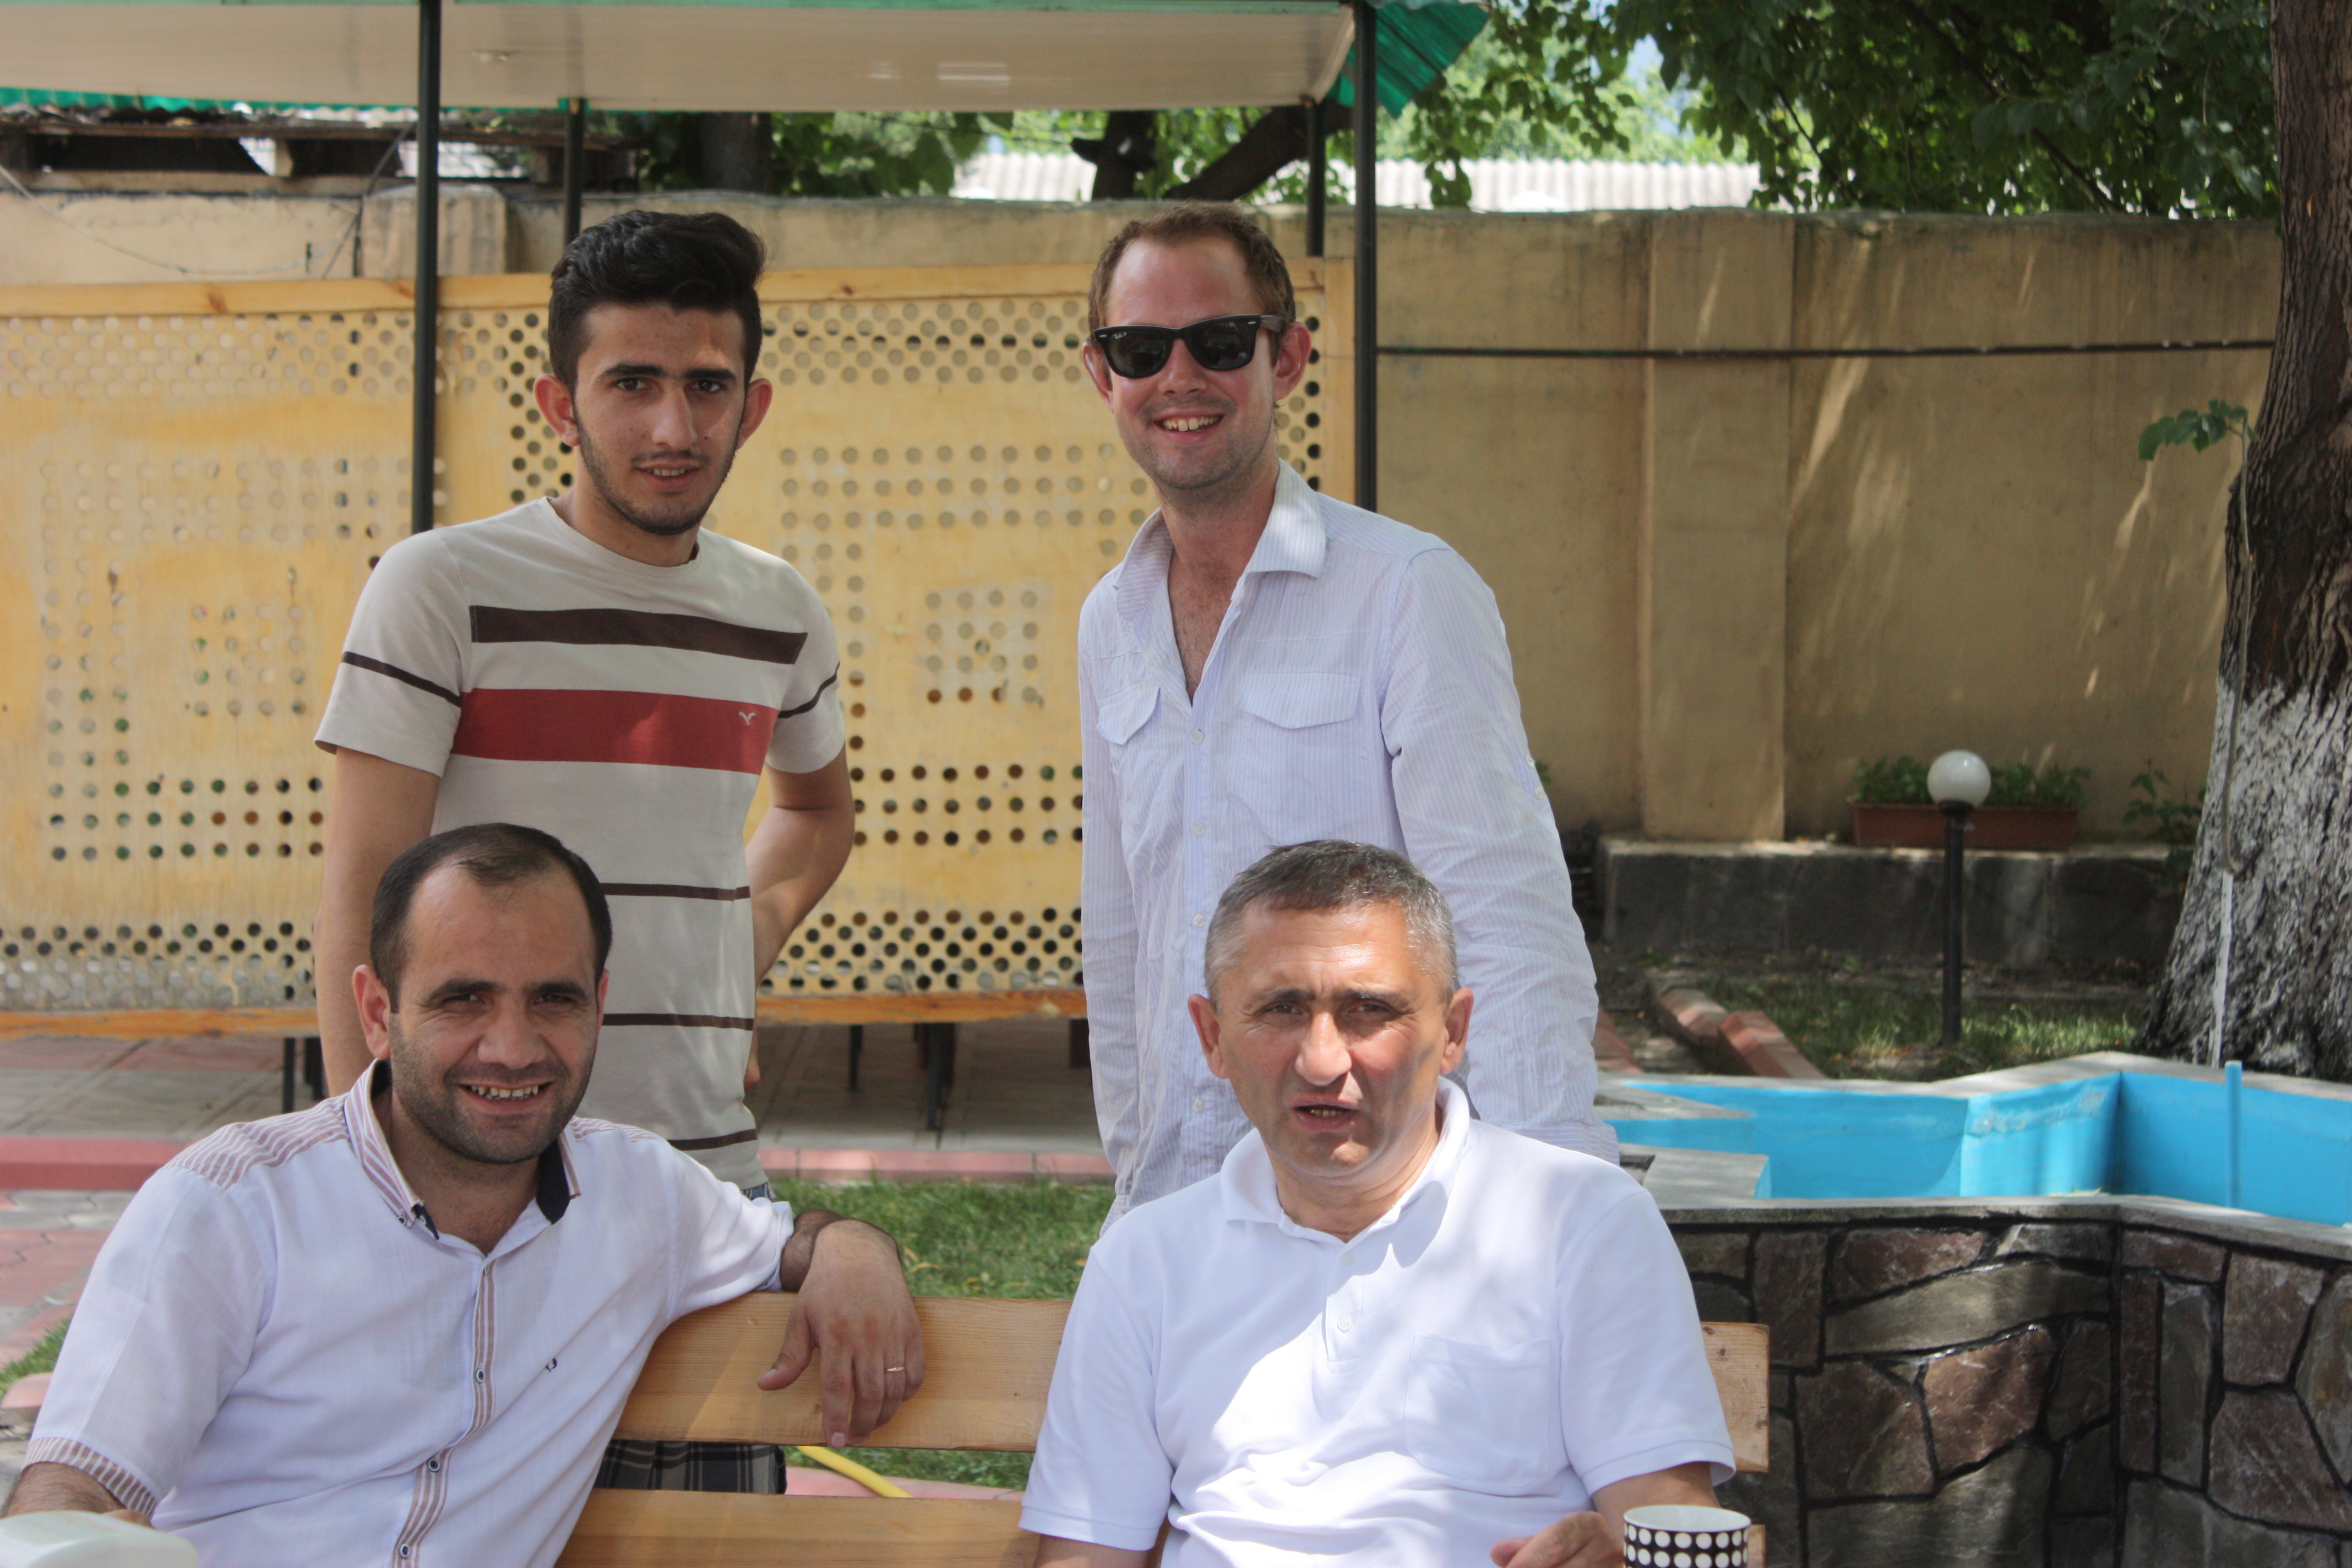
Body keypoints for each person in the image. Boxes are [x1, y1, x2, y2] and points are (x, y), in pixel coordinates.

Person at [7, 824, 922, 1566]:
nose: (512, 1048)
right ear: (378, 1012)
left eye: (553, 1000)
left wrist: (856, 1250)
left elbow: (791, 1238)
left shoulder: (641, 1195)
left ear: (599, 1004)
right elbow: (69, 1493)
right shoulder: (232, 1208)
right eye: (463, 1001)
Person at [1075, 203, 1610, 1224]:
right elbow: (1122, 929)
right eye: (1142, 349)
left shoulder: (1407, 591)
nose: (1178, 376)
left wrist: (1547, 1214)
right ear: (1104, 376)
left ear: (1286, 359)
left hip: (1376, 1205)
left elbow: (1507, 915)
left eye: (1219, 342)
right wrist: (1139, 1184)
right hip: (1183, 1207)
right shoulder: (1112, 622)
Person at [313, 208, 850, 1199]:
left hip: (707, 1170)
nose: (674, 428)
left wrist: (738, 950)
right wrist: (371, 1181)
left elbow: (817, 813)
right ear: (561, 406)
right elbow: (362, 892)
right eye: (632, 384)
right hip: (487, 1170)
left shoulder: (780, 611)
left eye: (707, 386)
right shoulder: (442, 587)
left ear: (753, 407)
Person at [1021, 842, 1730, 1567]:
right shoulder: (1145, 1261)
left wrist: (1622, 1557)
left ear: (1452, 1032)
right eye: (1281, 1009)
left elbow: (1670, 1526)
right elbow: (1084, 1556)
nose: (1322, 1061)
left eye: (1368, 1011)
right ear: (1213, 1038)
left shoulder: (1583, 1224)